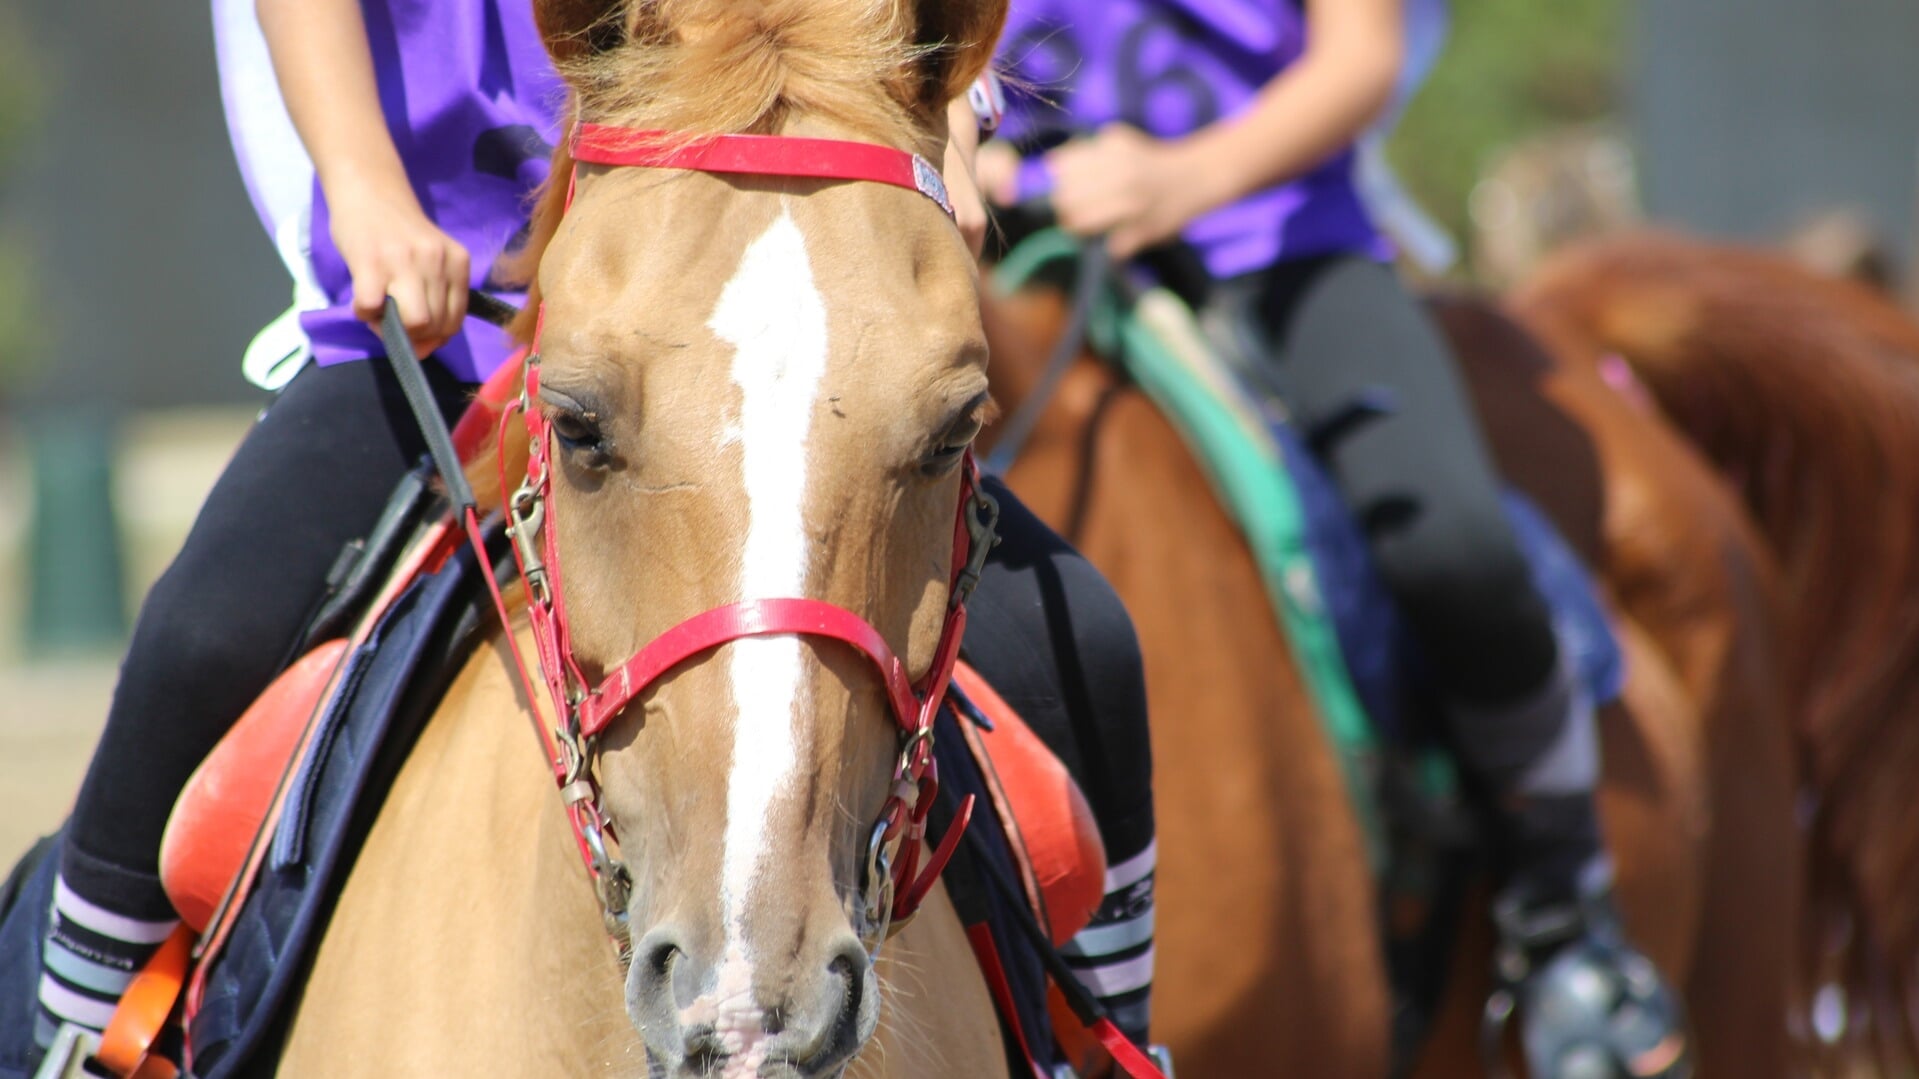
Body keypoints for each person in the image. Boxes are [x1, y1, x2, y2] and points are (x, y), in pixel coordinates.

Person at [28, 0, 1156, 1066]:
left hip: (720, 298)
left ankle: (1106, 1040)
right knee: (205, 632)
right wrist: (364, 186)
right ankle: (68, 1030)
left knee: (1080, 647)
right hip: (435, 313)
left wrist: (935, 121)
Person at [978, 1, 1689, 1074]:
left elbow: (1361, 56)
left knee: (1450, 547)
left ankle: (1567, 926)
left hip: (1268, 236)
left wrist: (1179, 181)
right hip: (1005, 231)